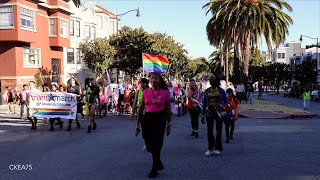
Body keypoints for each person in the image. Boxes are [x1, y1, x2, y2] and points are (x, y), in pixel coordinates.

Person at [136, 73, 172, 178]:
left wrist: (169, 124)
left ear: (160, 81)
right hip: (147, 118)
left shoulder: (165, 93)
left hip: (159, 119)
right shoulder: (145, 92)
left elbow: (168, 109)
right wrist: (137, 124)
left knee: (157, 143)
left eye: (156, 78)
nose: (153, 79)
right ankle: (158, 161)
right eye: (151, 78)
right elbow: (141, 108)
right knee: (148, 144)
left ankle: (154, 168)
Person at [201, 75, 228, 156]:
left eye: (213, 80)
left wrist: (222, 105)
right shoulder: (206, 91)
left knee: (218, 131)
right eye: (210, 80)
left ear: (217, 82)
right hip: (209, 113)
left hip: (219, 113)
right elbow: (204, 103)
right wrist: (202, 114)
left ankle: (217, 148)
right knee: (209, 131)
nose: (211, 81)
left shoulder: (222, 91)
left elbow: (225, 101)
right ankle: (210, 148)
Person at [131, 78, 149, 151]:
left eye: (142, 83)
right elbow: (135, 102)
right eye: (140, 83)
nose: (141, 84)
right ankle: (146, 144)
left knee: (149, 129)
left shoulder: (150, 91)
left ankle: (150, 141)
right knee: (144, 129)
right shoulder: (138, 91)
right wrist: (132, 112)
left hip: (149, 112)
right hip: (141, 112)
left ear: (146, 83)